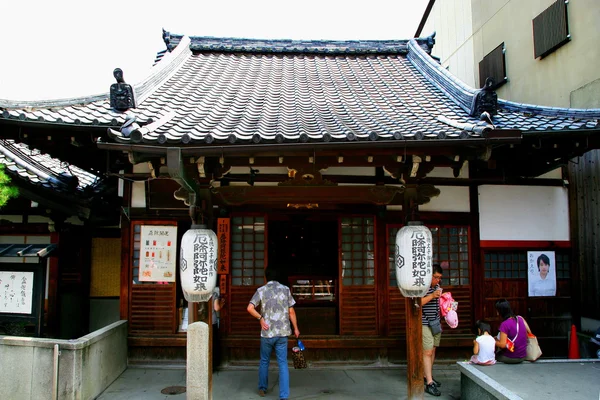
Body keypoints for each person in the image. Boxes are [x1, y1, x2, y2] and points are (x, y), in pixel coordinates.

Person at [247, 267, 300, 400]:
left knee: (264, 361)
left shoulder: (261, 290)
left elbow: (250, 308)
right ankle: (284, 396)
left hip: (267, 332)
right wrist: (296, 328)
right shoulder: (285, 290)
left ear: (266, 277)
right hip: (282, 333)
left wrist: (260, 319)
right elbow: (291, 311)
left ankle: (262, 388)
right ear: (278, 277)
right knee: (282, 363)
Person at [421, 263, 444, 397]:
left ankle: (427, 375)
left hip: (435, 322)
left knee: (433, 349)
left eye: (440, 278)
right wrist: (432, 296)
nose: (437, 280)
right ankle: (429, 383)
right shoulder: (422, 288)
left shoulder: (438, 287)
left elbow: (438, 305)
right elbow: (417, 303)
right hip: (424, 323)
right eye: (436, 277)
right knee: (427, 351)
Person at [494, 299, 532, 363]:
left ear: (500, 311)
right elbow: (529, 333)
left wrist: (492, 340)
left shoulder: (504, 324)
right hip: (523, 356)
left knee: (496, 355)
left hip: (511, 357)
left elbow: (502, 345)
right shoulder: (520, 318)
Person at [212, 286, 225, 371]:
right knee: (213, 344)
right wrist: (222, 304)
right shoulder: (214, 294)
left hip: (201, 322)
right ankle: (213, 365)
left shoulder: (198, 294)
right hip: (212, 322)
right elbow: (216, 308)